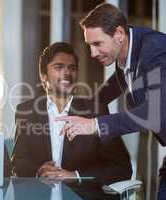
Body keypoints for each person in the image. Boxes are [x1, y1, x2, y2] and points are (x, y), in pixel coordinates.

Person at [55, 3, 166, 198]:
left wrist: (95, 125)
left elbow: (155, 113)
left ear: (119, 34)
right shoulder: (127, 53)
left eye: (97, 44)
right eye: (90, 45)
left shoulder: (155, 51)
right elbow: (116, 83)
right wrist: (79, 108)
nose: (92, 53)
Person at [11, 42, 132, 185]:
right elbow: (18, 162)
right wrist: (38, 171)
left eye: (72, 68)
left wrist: (75, 176)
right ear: (43, 75)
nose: (67, 73)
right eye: (59, 67)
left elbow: (121, 168)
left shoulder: (96, 110)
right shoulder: (26, 111)